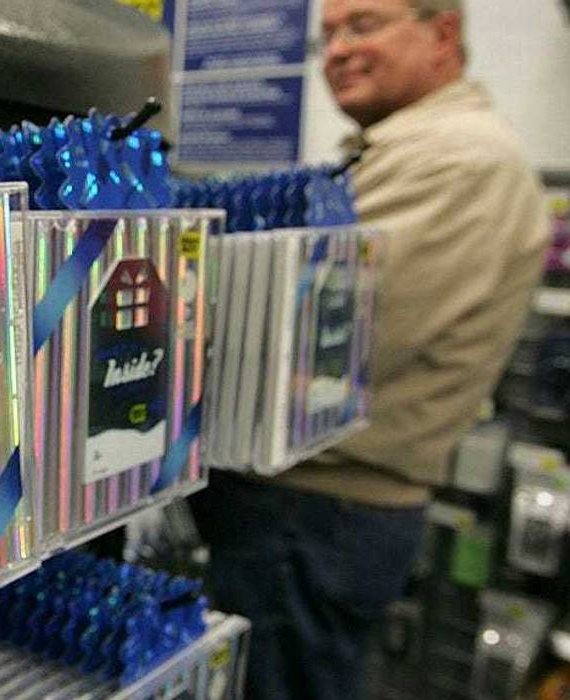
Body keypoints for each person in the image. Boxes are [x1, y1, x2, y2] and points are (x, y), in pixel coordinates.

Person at [190, 0, 551, 698]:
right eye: (325, 36)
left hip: (316, 513)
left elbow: (321, 343)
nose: (336, 51)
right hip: (306, 515)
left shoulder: (456, 163)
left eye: (362, 25)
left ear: (441, 32)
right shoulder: (405, 153)